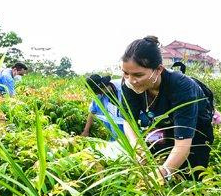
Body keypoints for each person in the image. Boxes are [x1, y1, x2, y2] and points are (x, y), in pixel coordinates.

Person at [119, 36, 214, 180]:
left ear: (158, 70)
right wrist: (137, 147)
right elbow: (128, 120)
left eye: (138, 75)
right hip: (163, 128)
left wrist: (161, 175)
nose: (131, 80)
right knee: (156, 161)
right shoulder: (128, 85)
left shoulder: (182, 86)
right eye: (126, 73)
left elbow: (183, 144)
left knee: (189, 177)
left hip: (195, 132)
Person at [81, 74, 126, 140]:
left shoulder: (123, 86)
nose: (100, 93)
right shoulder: (99, 96)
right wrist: (86, 131)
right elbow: (92, 112)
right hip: (115, 130)